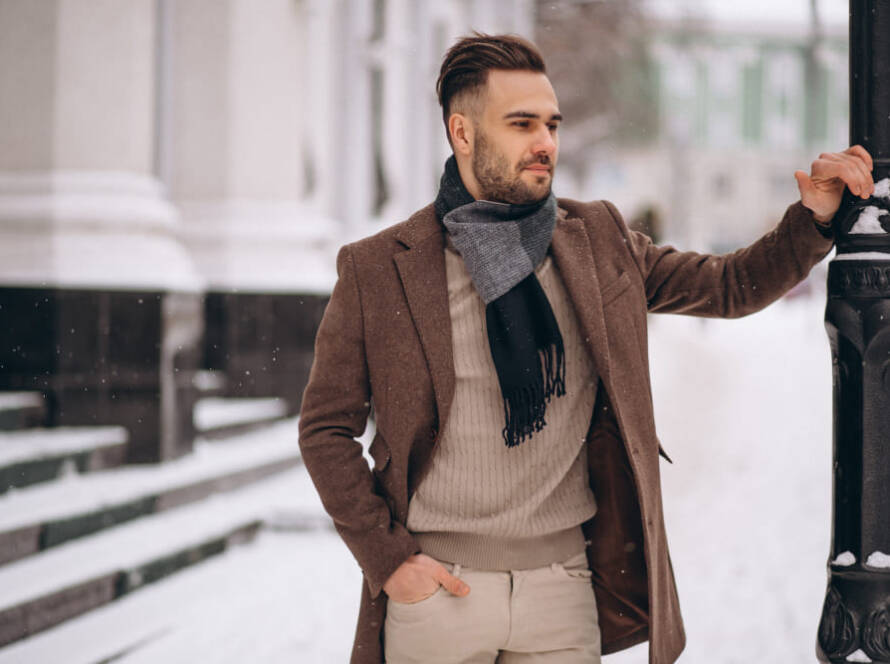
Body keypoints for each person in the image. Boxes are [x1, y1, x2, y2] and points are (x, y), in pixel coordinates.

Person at [298, 33, 875, 664]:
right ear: (461, 133)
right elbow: (326, 428)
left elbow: (728, 285)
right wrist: (391, 563)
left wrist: (812, 217)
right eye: (521, 123)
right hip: (437, 595)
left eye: (550, 123)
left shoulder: (597, 241)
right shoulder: (381, 268)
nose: (545, 142)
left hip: (561, 594)